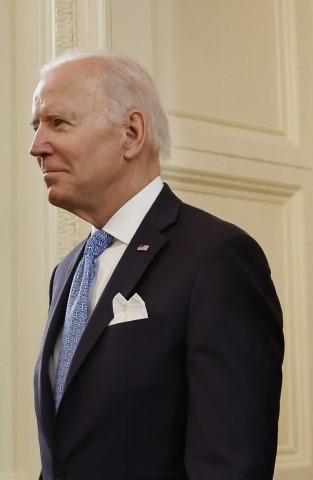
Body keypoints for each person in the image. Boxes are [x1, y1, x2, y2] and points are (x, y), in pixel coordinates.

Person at [30, 51, 284, 480]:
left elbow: (230, 464)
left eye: (58, 123)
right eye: (35, 126)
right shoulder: (67, 272)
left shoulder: (216, 258)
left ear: (131, 133)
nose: (37, 146)